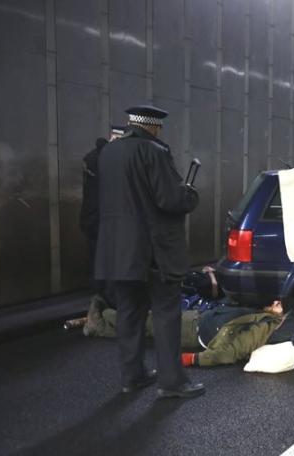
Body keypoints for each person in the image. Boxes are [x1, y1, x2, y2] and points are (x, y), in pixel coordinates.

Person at [94, 105, 204, 399]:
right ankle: (171, 382)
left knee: (129, 312)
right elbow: (169, 200)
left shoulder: (109, 153)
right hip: (154, 251)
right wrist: (190, 195)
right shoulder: (154, 151)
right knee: (167, 313)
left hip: (118, 251)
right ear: (154, 127)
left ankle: (133, 376)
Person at [83, 298, 286, 367]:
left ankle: (100, 323)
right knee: (148, 321)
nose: (276, 302)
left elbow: (225, 352)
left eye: (279, 306)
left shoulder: (263, 329)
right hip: (198, 319)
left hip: (193, 330)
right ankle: (105, 319)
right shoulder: (264, 319)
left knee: (145, 322)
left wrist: (188, 360)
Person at [80, 126, 125, 297]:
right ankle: (103, 298)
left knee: (97, 261)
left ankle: (99, 297)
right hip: (102, 220)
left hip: (93, 219)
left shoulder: (94, 157)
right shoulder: (106, 158)